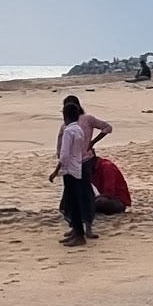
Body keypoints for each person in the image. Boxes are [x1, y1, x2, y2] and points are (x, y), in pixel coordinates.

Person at [59, 95, 112, 238]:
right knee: (80, 194)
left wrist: (92, 142)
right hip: (83, 160)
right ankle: (80, 227)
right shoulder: (73, 124)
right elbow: (107, 128)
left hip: (80, 162)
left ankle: (82, 228)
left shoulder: (73, 125)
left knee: (79, 194)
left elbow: (62, 149)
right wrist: (92, 142)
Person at [49, 101, 93, 246]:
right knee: (75, 200)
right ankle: (76, 232)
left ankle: (79, 235)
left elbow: (64, 155)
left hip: (69, 170)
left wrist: (55, 172)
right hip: (77, 167)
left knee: (72, 202)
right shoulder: (79, 129)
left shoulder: (68, 131)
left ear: (65, 115)